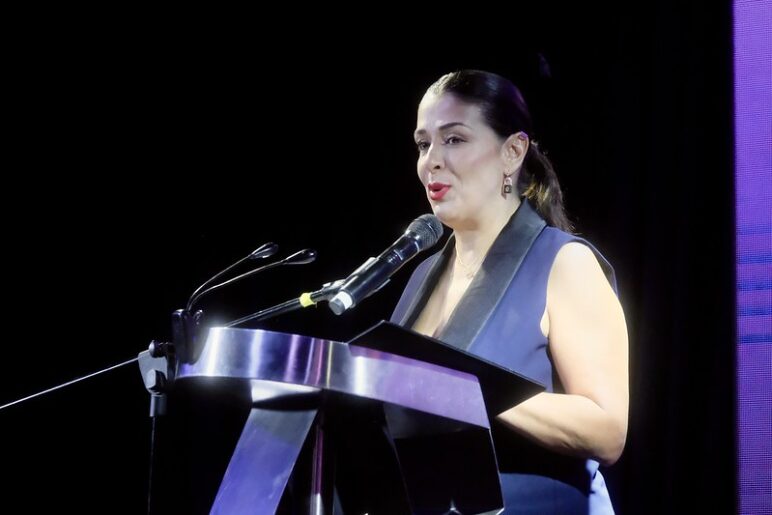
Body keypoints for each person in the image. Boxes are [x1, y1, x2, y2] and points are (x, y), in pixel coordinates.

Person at [390, 69, 629, 514]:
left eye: (454, 139)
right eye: (423, 144)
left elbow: (607, 429)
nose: (431, 161)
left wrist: (466, 389)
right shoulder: (422, 276)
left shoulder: (565, 262)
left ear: (513, 151)